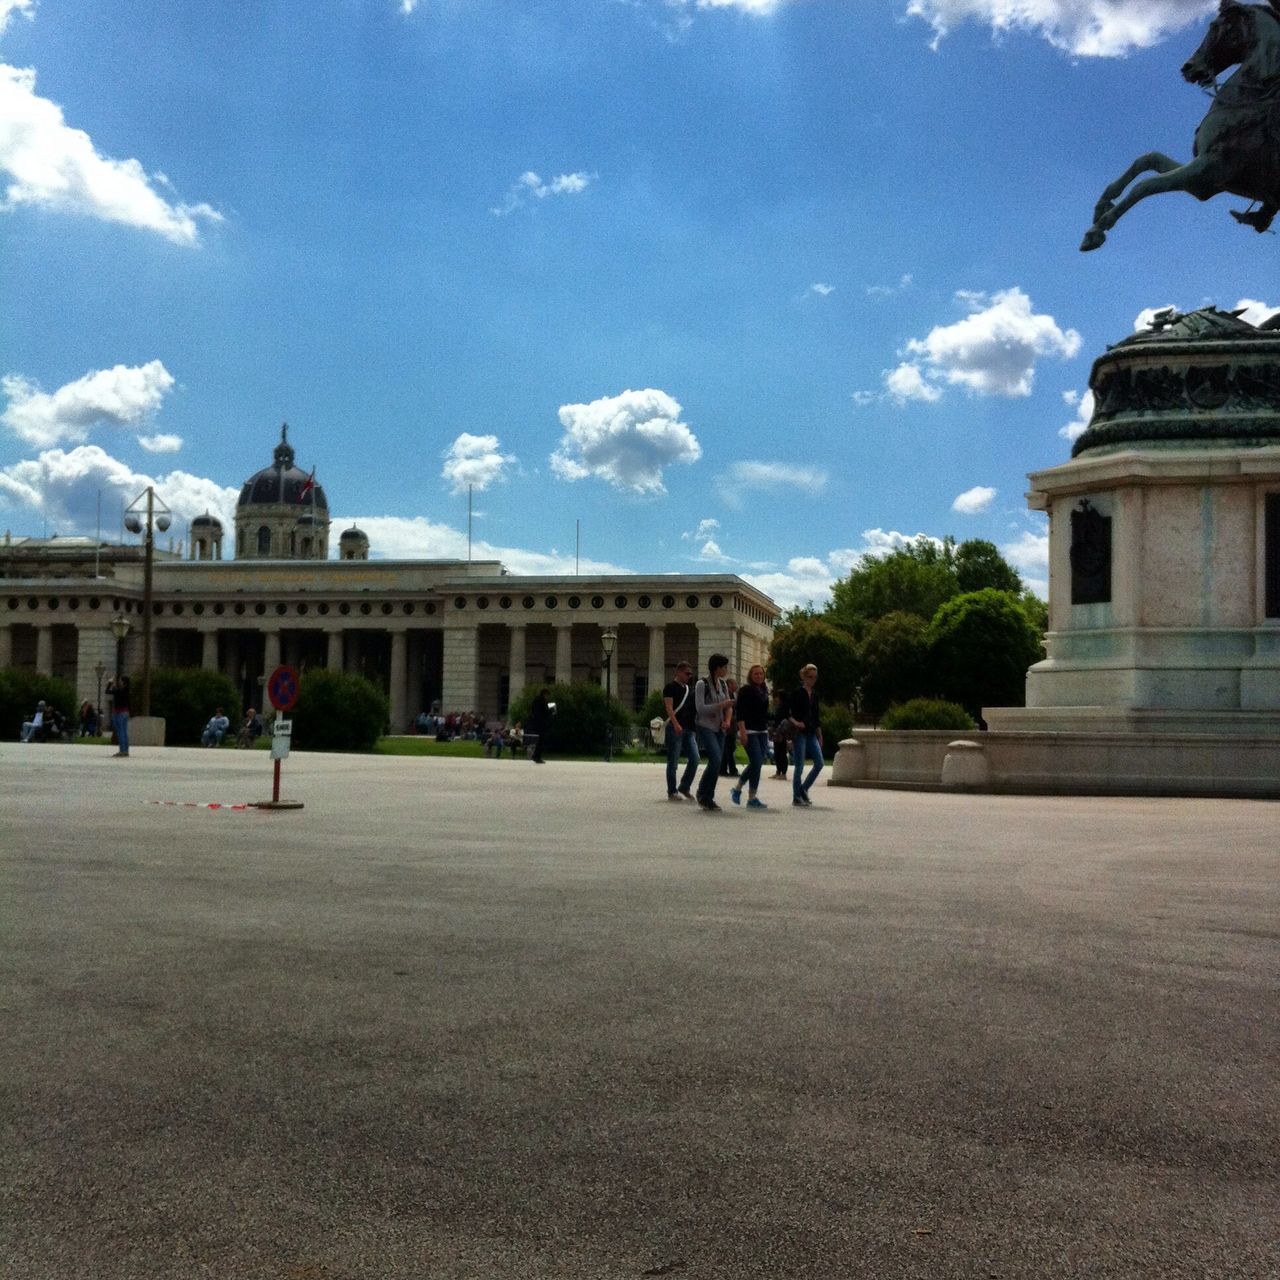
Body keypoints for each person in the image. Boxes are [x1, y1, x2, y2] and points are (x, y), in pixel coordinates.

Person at [694, 653, 734, 811]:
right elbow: (700, 708)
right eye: (724, 667)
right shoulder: (701, 684)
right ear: (717, 667)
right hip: (705, 726)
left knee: (716, 763)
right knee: (716, 759)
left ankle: (707, 796)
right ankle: (703, 793)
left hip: (720, 727)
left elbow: (729, 706)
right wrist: (721, 705)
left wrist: (727, 721)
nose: (726, 670)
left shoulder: (723, 684)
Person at [730, 665, 771, 810]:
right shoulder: (745, 690)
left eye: (761, 674)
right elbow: (739, 712)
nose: (759, 676)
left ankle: (752, 797)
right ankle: (738, 788)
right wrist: (742, 731)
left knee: (758, 764)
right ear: (750, 675)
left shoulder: (764, 690)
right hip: (749, 731)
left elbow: (764, 712)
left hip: (762, 731)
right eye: (756, 674)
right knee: (756, 761)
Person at [662, 660, 700, 800]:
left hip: (689, 728)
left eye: (690, 674)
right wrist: (676, 723)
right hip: (675, 728)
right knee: (673, 761)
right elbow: (669, 707)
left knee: (695, 758)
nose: (689, 676)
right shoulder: (670, 687)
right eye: (687, 673)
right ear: (678, 672)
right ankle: (672, 791)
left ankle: (684, 786)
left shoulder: (689, 689)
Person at [788, 663, 824, 806]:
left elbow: (816, 717)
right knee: (799, 766)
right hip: (799, 733)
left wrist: (820, 735)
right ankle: (796, 796)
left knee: (819, 763)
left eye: (815, 678)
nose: (812, 680)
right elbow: (786, 713)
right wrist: (796, 723)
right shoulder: (797, 693)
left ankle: (804, 789)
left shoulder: (815, 695)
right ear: (803, 676)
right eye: (810, 677)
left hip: (811, 732)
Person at [106, 673, 130, 758]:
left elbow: (107, 691)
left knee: (120, 732)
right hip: (125, 712)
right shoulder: (127, 690)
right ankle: (126, 750)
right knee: (124, 732)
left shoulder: (118, 691)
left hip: (118, 713)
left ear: (123, 682)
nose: (119, 681)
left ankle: (122, 751)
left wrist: (110, 683)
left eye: (120, 680)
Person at [720, 677, 740, 777]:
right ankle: (732, 770)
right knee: (729, 749)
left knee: (727, 749)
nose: (736, 686)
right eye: (734, 684)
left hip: (732, 726)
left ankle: (722, 769)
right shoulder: (727, 697)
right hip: (729, 726)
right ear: (729, 685)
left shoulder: (732, 695)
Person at [527, 689, 552, 763]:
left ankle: (536, 756)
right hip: (541, 723)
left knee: (540, 740)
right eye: (547, 695)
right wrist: (551, 711)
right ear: (545, 694)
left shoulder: (536, 700)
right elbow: (545, 711)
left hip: (536, 723)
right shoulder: (542, 701)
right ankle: (537, 756)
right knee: (541, 740)